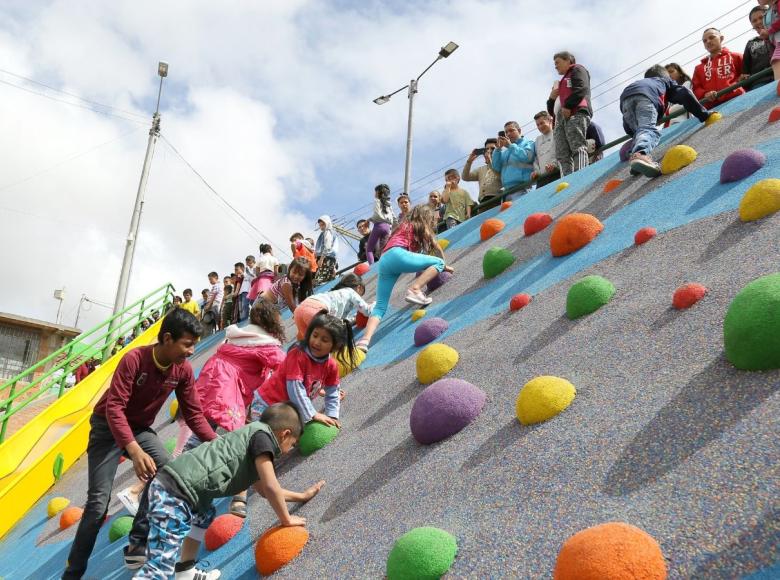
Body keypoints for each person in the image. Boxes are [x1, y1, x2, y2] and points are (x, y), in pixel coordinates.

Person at [61, 310, 217, 579]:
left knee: (169, 472)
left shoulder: (182, 370)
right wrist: (133, 450)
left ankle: (138, 538)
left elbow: (193, 414)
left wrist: (219, 444)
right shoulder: (134, 359)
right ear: (168, 338)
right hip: (106, 426)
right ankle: (73, 574)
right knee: (98, 506)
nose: (192, 351)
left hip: (139, 428)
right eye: (187, 344)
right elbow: (114, 408)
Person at [132, 403, 324, 580]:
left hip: (183, 486)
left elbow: (265, 491)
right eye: (292, 444)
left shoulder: (252, 438)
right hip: (175, 490)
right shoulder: (263, 440)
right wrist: (286, 519)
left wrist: (302, 496)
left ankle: (186, 572)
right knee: (161, 561)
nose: (289, 450)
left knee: (203, 516)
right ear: (284, 434)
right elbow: (271, 486)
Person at [174, 300, 286, 519]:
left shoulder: (237, 335)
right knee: (240, 442)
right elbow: (286, 367)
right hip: (228, 390)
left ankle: (174, 479)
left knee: (201, 432)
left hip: (210, 381)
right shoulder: (265, 344)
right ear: (272, 321)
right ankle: (239, 497)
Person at [356, 204, 454, 352]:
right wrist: (444, 264)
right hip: (398, 255)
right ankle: (415, 289)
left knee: (380, 306)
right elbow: (435, 246)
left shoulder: (403, 226)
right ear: (425, 217)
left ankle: (364, 341)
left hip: (385, 261)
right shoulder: (419, 224)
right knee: (438, 262)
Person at [250, 313, 355, 427]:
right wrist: (313, 414)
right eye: (315, 335)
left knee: (292, 434)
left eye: (324, 340)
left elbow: (333, 391)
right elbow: (295, 389)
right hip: (266, 404)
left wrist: (332, 416)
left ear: (335, 346)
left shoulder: (331, 365)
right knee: (266, 437)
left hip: (289, 409)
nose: (317, 342)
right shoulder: (298, 355)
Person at [621, 65, 713, 178]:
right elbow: (684, 93)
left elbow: (627, 126)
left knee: (638, 132)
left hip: (625, 100)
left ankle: (634, 158)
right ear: (666, 76)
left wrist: (632, 132)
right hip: (646, 97)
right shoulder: (664, 81)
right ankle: (640, 154)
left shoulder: (641, 83)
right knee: (649, 129)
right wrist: (704, 115)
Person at [547, 51, 593, 176]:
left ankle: (581, 174)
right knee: (562, 153)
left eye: (558, 62)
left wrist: (568, 105)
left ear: (568, 60)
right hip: (560, 119)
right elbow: (551, 112)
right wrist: (551, 98)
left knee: (577, 144)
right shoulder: (560, 84)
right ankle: (566, 179)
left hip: (575, 112)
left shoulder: (577, 69)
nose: (555, 66)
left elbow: (581, 88)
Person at [293, 273, 374, 340]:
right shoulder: (351, 292)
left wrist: (353, 319)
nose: (360, 298)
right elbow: (367, 311)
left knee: (304, 341)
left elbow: (340, 321)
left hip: (300, 309)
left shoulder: (333, 292)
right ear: (359, 287)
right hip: (316, 310)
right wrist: (374, 305)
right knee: (326, 339)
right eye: (361, 295)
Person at [692, 28, 745, 109]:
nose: (708, 42)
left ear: (721, 38)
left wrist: (739, 82)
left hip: (739, 100)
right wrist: (705, 94)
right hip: (713, 109)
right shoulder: (698, 68)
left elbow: (746, 75)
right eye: (705, 41)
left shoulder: (737, 57)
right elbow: (696, 88)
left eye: (712, 37)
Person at [492, 121, 535, 196]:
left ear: (519, 131)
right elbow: (496, 167)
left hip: (523, 188)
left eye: (511, 130)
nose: (508, 134)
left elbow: (528, 157)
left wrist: (510, 146)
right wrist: (498, 149)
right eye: (506, 132)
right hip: (507, 191)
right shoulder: (505, 152)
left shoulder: (528, 142)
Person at [462, 139, 502, 207]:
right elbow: (465, 177)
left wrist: (490, 161)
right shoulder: (481, 169)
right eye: (487, 149)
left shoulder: (502, 164)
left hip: (497, 199)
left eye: (492, 148)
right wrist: (469, 161)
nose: (489, 151)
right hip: (483, 202)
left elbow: (499, 176)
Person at [742, 6, 774, 90]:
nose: (758, 22)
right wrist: (743, 77)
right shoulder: (750, 44)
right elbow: (745, 71)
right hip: (759, 83)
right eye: (754, 21)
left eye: (761, 17)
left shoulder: (777, 35)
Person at [366, 184, 397, 265]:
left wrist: (370, 219)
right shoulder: (389, 204)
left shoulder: (377, 201)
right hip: (387, 228)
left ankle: (372, 267)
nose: (374, 194)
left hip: (378, 226)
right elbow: (394, 218)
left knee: (369, 249)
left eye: (375, 192)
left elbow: (377, 215)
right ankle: (385, 265)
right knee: (383, 250)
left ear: (378, 192)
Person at [530, 111, 558, 188]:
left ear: (550, 120)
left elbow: (563, 152)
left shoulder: (557, 133)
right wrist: (536, 172)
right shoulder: (537, 140)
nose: (540, 127)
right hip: (542, 179)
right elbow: (536, 159)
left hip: (556, 174)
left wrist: (555, 165)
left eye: (542, 123)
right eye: (537, 125)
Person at [314, 216, 339, 281]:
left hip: (325, 259)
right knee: (327, 278)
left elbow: (327, 247)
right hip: (329, 259)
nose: (321, 227)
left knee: (320, 279)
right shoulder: (332, 233)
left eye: (323, 224)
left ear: (327, 223)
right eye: (320, 225)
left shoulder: (327, 232)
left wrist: (321, 259)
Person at [201, 272, 223, 337]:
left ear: (216, 278)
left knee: (214, 317)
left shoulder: (217, 285)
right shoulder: (215, 286)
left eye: (211, 279)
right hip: (212, 303)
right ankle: (216, 329)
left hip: (214, 303)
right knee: (212, 318)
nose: (210, 281)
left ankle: (217, 330)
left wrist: (209, 305)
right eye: (209, 280)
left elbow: (214, 295)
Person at [763, 0, 780, 81]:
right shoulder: (766, 14)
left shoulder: (778, 3)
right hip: (777, 42)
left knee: (776, 61)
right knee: (775, 61)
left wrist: (769, 30)